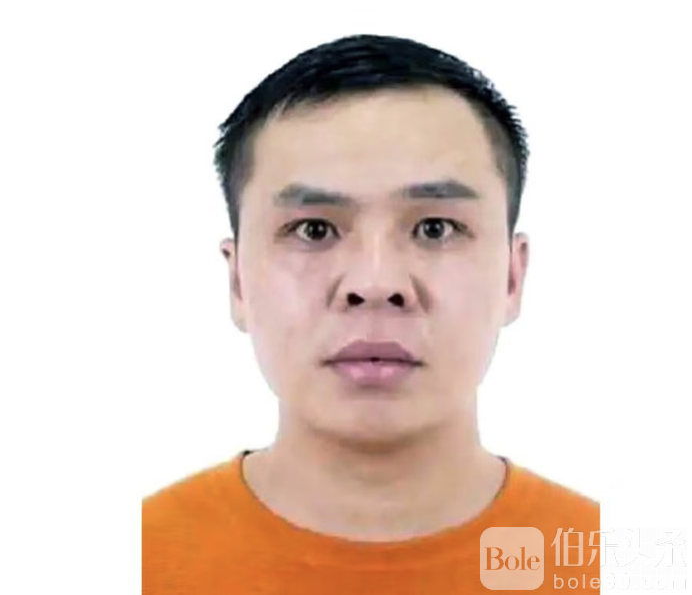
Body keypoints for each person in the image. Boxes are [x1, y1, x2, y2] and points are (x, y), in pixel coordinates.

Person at [142, 34, 599, 593]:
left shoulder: (602, 563)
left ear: (512, 275)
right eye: (314, 230)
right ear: (238, 281)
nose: (376, 284)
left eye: (435, 228)